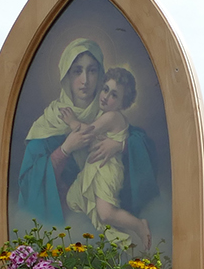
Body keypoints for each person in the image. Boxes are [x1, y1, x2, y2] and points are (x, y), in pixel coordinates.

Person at [60, 67, 152, 250]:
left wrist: (71, 121)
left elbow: (87, 132)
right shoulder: (104, 115)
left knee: (106, 213)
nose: (106, 96)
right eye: (105, 89)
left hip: (108, 170)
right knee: (77, 201)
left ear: (122, 103)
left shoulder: (112, 116)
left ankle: (139, 225)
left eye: (114, 95)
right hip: (98, 168)